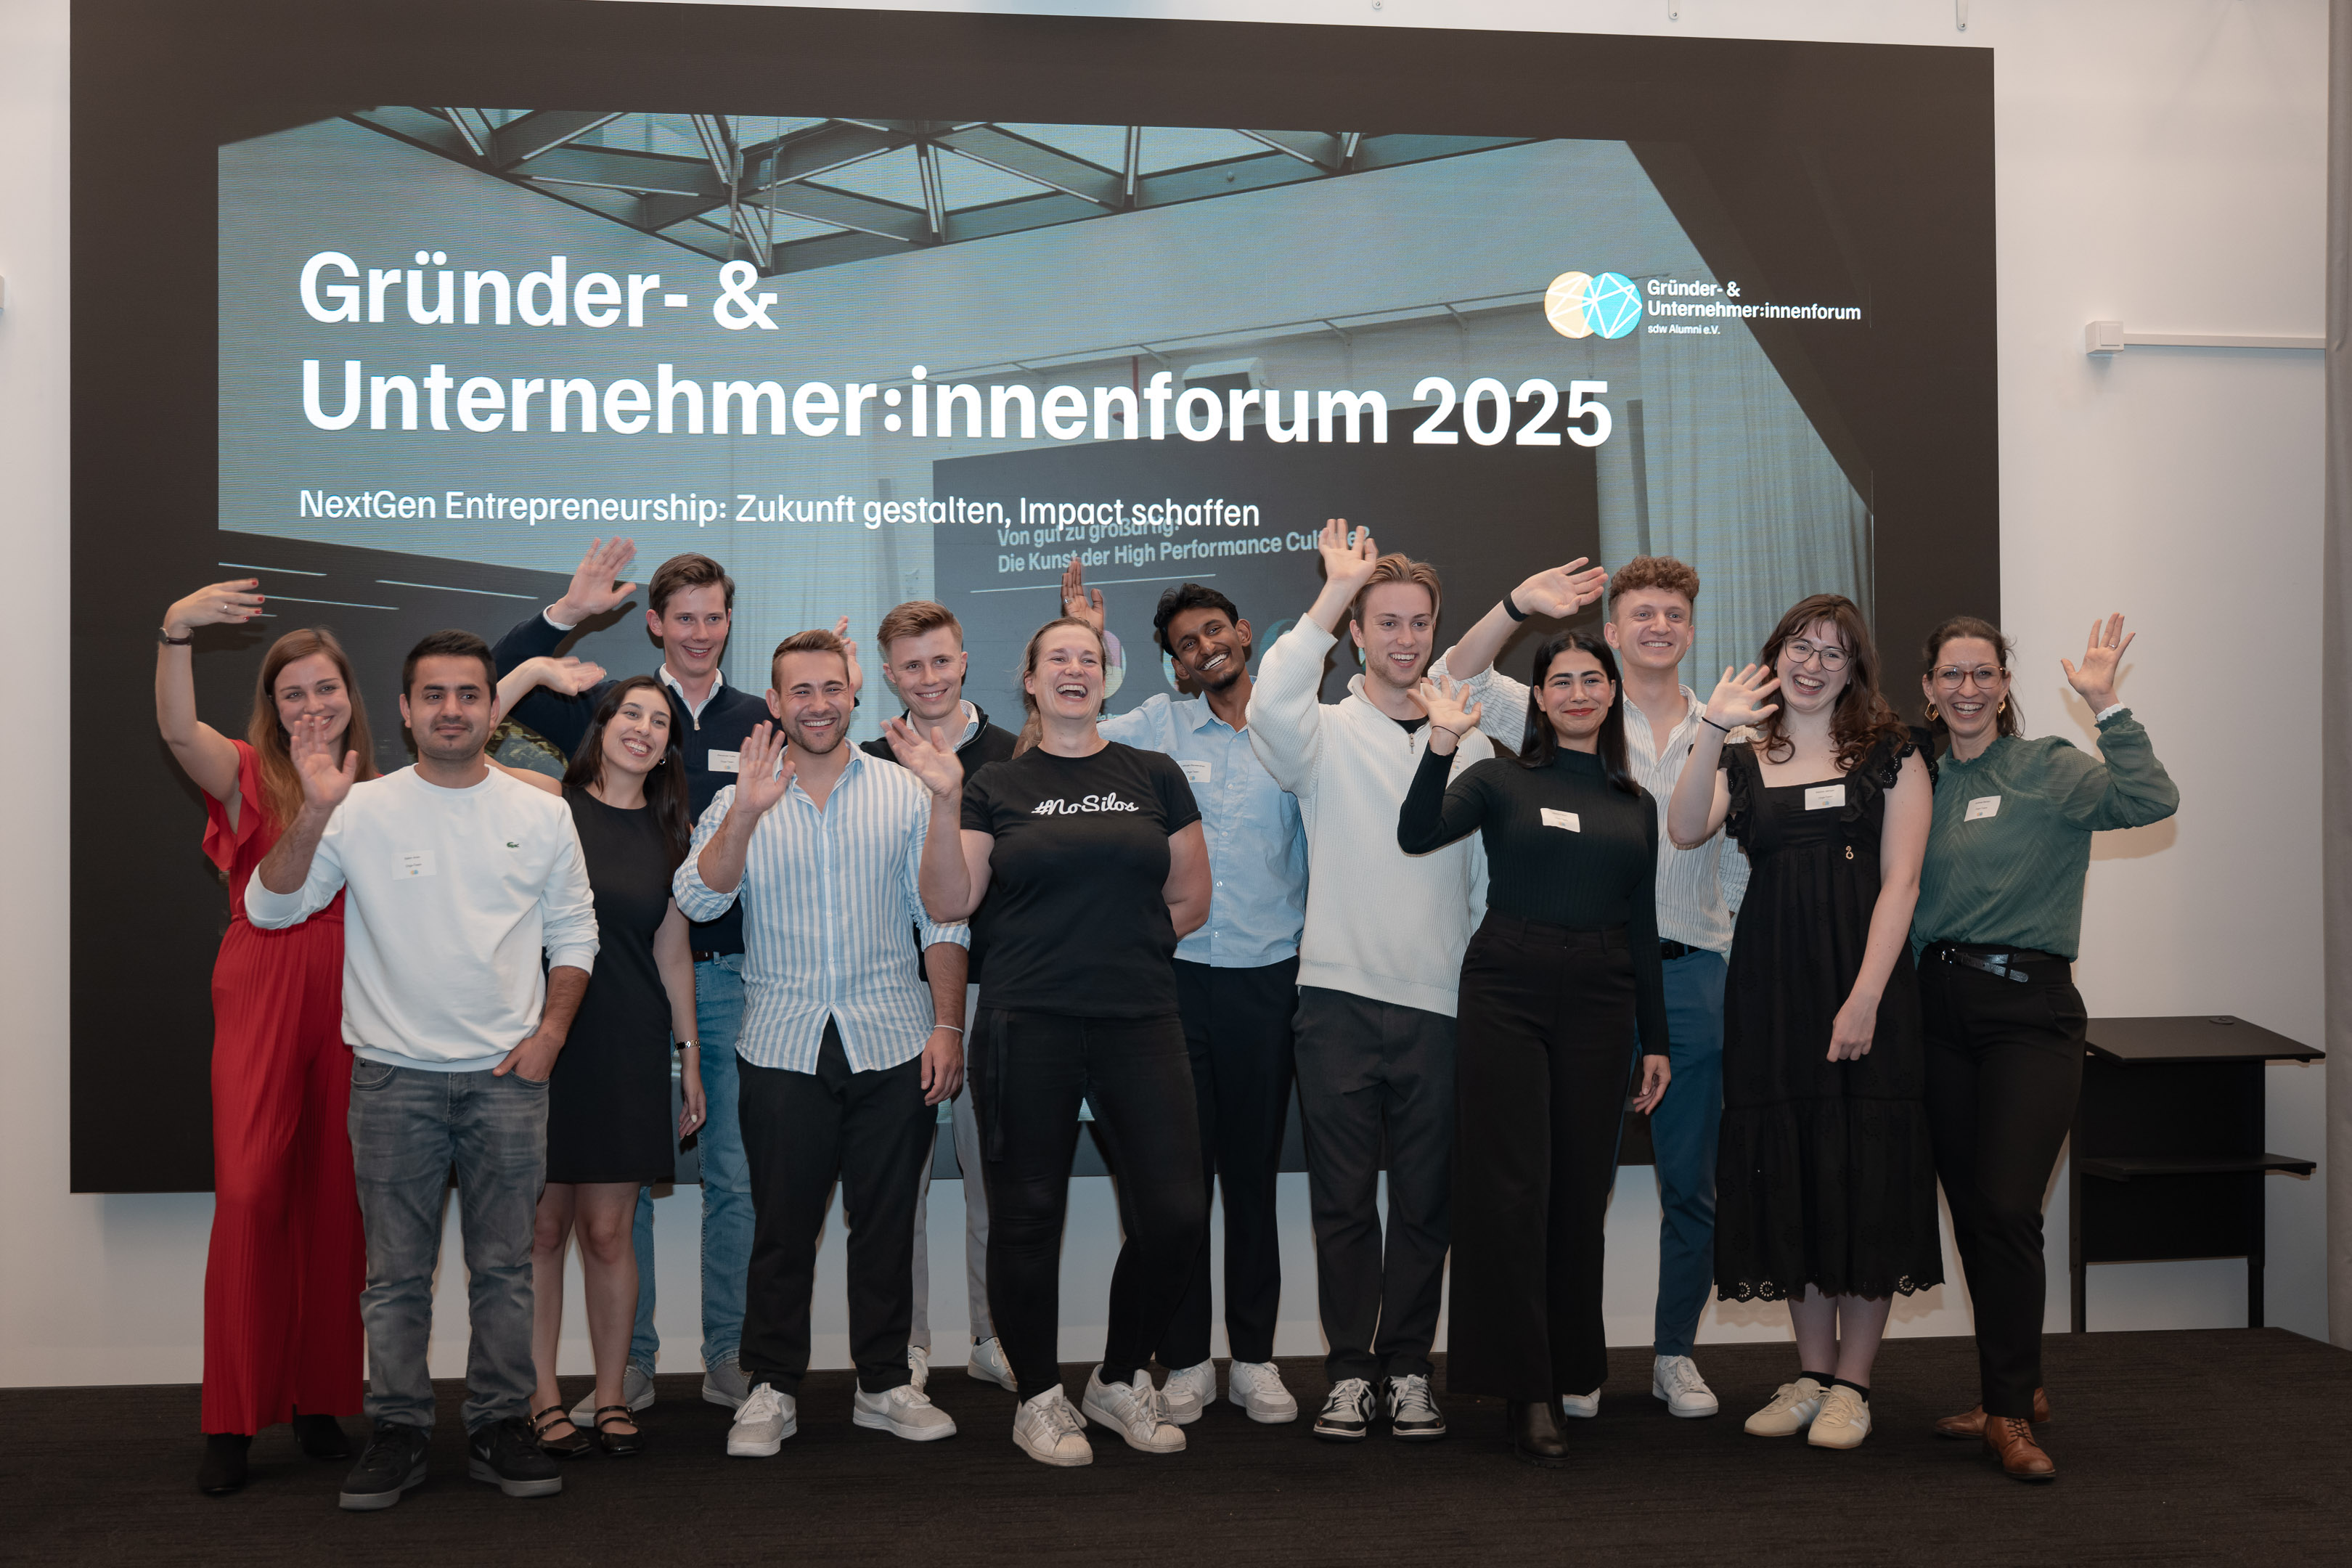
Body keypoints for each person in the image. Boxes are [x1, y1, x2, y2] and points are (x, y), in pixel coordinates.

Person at [246, 629, 599, 1511]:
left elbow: (575, 933)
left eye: (468, 694)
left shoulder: (540, 813)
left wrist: (552, 1034)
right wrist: (314, 812)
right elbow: (269, 908)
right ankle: (398, 1432)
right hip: (392, 1080)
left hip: (508, 1080)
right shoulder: (359, 807)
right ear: (405, 711)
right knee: (395, 1279)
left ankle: (499, 1426)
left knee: (506, 1272)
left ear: (491, 708)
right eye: (433, 695)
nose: (451, 710)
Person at [886, 615, 1212, 1468]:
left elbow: (1190, 899)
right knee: (1028, 1216)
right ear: (1030, 681)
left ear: (1105, 677)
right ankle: (1037, 1397)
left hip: (1140, 1019)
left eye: (1088, 657)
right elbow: (949, 900)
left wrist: (1118, 953)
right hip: (1027, 1022)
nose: (1075, 668)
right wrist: (945, 798)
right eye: (1056, 658)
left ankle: (1116, 1378)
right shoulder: (994, 783)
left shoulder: (1155, 774)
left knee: (1177, 1214)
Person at [1431, 555, 1745, 1420]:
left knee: (1691, 1187)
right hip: (1575, 979)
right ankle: (1566, 1360)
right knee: (1572, 1185)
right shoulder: (1569, 707)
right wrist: (1515, 604)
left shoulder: (1729, 730)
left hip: (1684, 976)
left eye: (1673, 615)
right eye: (1641, 614)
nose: (1658, 627)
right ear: (1612, 631)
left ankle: (1675, 1355)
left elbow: (1736, 865)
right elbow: (1455, 674)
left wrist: (1726, 966)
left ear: (1690, 630)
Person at [1245, 520, 1535, 1444]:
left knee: (1423, 1204)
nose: (1405, 639)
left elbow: (1486, 888)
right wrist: (1334, 589)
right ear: (1359, 636)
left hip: (1441, 1011)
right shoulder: (1322, 735)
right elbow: (1270, 701)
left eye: (1419, 623)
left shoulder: (1472, 746)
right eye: (1386, 623)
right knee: (1340, 1204)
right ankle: (1348, 1372)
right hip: (1334, 1003)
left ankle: (1408, 1368)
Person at [493, 541, 772, 1417]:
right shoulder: (596, 710)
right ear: (655, 623)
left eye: (713, 616)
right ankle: (631, 1369)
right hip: (583, 1004)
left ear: (729, 623)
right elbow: (470, 717)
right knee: (603, 1213)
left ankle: (727, 1354)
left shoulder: (758, 718)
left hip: (712, 982)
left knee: (734, 1179)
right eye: (684, 617)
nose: (700, 630)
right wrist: (562, 621)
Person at [674, 629, 968, 1458]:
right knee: (781, 1227)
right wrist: (745, 814)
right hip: (781, 1043)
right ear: (774, 702)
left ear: (853, 694)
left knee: (886, 1224)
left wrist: (948, 1025)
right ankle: (771, 1386)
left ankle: (884, 1383)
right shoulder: (742, 794)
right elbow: (697, 899)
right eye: (799, 691)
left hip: (893, 1038)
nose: (817, 704)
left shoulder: (904, 789)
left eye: (831, 688)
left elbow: (943, 916)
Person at [1665, 594, 1940, 1452]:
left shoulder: (1893, 753)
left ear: (1855, 668)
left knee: (1863, 1173)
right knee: (1790, 1171)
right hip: (1771, 991)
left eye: (1832, 652)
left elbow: (1902, 883)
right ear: (1775, 654)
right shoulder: (1744, 753)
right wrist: (1712, 725)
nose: (1812, 665)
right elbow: (1683, 828)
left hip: (1865, 989)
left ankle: (1854, 1384)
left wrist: (1864, 997)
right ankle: (1812, 1375)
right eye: (1799, 647)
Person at [1913, 613, 2176, 1481]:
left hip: (2030, 1012)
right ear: (1928, 688)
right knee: (1974, 1217)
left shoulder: (2048, 768)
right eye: (1952, 675)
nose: (1967, 689)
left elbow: (2150, 801)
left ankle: (2011, 1414)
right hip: (1936, 1012)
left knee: (2005, 1207)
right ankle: (2013, 1390)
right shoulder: (1919, 783)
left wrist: (2106, 707)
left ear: (2004, 685)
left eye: (1983, 673)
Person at [1400, 636, 1671, 1463]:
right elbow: (1416, 832)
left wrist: (1656, 1038)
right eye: (1561, 681)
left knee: (1581, 1190)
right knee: (1511, 1187)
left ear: (1613, 692)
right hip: (1508, 988)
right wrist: (1440, 744)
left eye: (1593, 679)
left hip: (1602, 996)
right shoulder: (1500, 778)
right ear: (1541, 699)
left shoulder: (1635, 802)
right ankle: (1525, 1389)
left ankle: (1568, 1366)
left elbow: (1642, 925)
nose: (1579, 692)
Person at [1060, 558, 1309, 1426]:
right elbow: (1071, 730)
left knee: (1253, 1180)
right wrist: (1085, 641)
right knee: (1180, 1184)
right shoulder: (1155, 727)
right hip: (1173, 984)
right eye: (1184, 644)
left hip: (1268, 981)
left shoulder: (1294, 730)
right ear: (1172, 665)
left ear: (1244, 635)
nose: (1203, 649)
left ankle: (1257, 1360)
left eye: (1213, 632)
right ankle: (1190, 1359)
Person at [155, 579, 372, 1495]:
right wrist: (176, 632)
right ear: (273, 707)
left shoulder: (375, 789)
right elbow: (177, 733)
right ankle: (233, 1419)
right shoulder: (246, 770)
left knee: (335, 1202)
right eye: (294, 693)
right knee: (249, 1194)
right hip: (262, 985)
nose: (312, 705)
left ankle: (320, 1401)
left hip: (351, 997)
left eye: (326, 688)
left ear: (350, 697)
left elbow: (474, 743)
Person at [505, 677, 708, 1459]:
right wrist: (535, 666)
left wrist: (689, 1057)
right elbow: (467, 734)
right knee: (541, 1230)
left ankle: (613, 1396)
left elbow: (672, 953)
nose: (644, 729)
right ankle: (542, 1398)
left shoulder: (671, 836)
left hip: (627, 1042)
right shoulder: (545, 802)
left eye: (660, 722)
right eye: (632, 713)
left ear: (667, 749)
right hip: (545, 1039)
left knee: (608, 1230)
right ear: (602, 724)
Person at [858, 600, 1021, 1395]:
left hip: (996, 992)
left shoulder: (1016, 754)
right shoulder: (866, 760)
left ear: (963, 661)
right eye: (912, 666)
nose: (929, 677)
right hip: (896, 997)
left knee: (996, 1175)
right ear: (890, 675)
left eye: (941, 661)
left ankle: (995, 1334)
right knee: (900, 1187)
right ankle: (908, 1345)